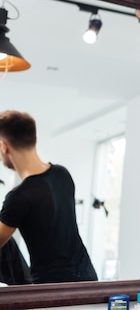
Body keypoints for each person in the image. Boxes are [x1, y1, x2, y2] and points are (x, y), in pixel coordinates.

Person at [0, 110, 98, 284]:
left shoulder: (19, 197)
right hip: (87, 281)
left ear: (4, 147)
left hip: (52, 289)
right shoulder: (62, 174)